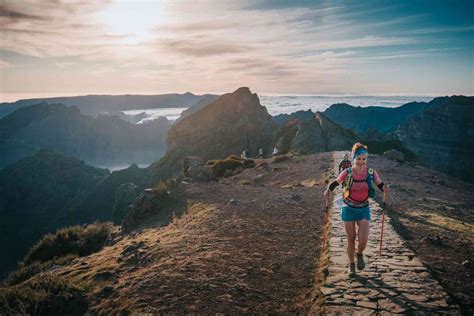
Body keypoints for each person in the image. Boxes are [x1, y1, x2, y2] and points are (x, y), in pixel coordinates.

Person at [324, 143, 389, 276]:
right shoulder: (347, 172)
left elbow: (380, 185)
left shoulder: (371, 172)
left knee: (363, 240)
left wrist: (385, 189)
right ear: (354, 158)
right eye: (358, 158)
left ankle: (359, 254)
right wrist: (328, 190)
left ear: (366, 159)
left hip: (364, 209)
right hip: (348, 208)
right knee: (351, 239)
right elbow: (335, 183)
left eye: (364, 159)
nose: (361, 162)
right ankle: (351, 265)